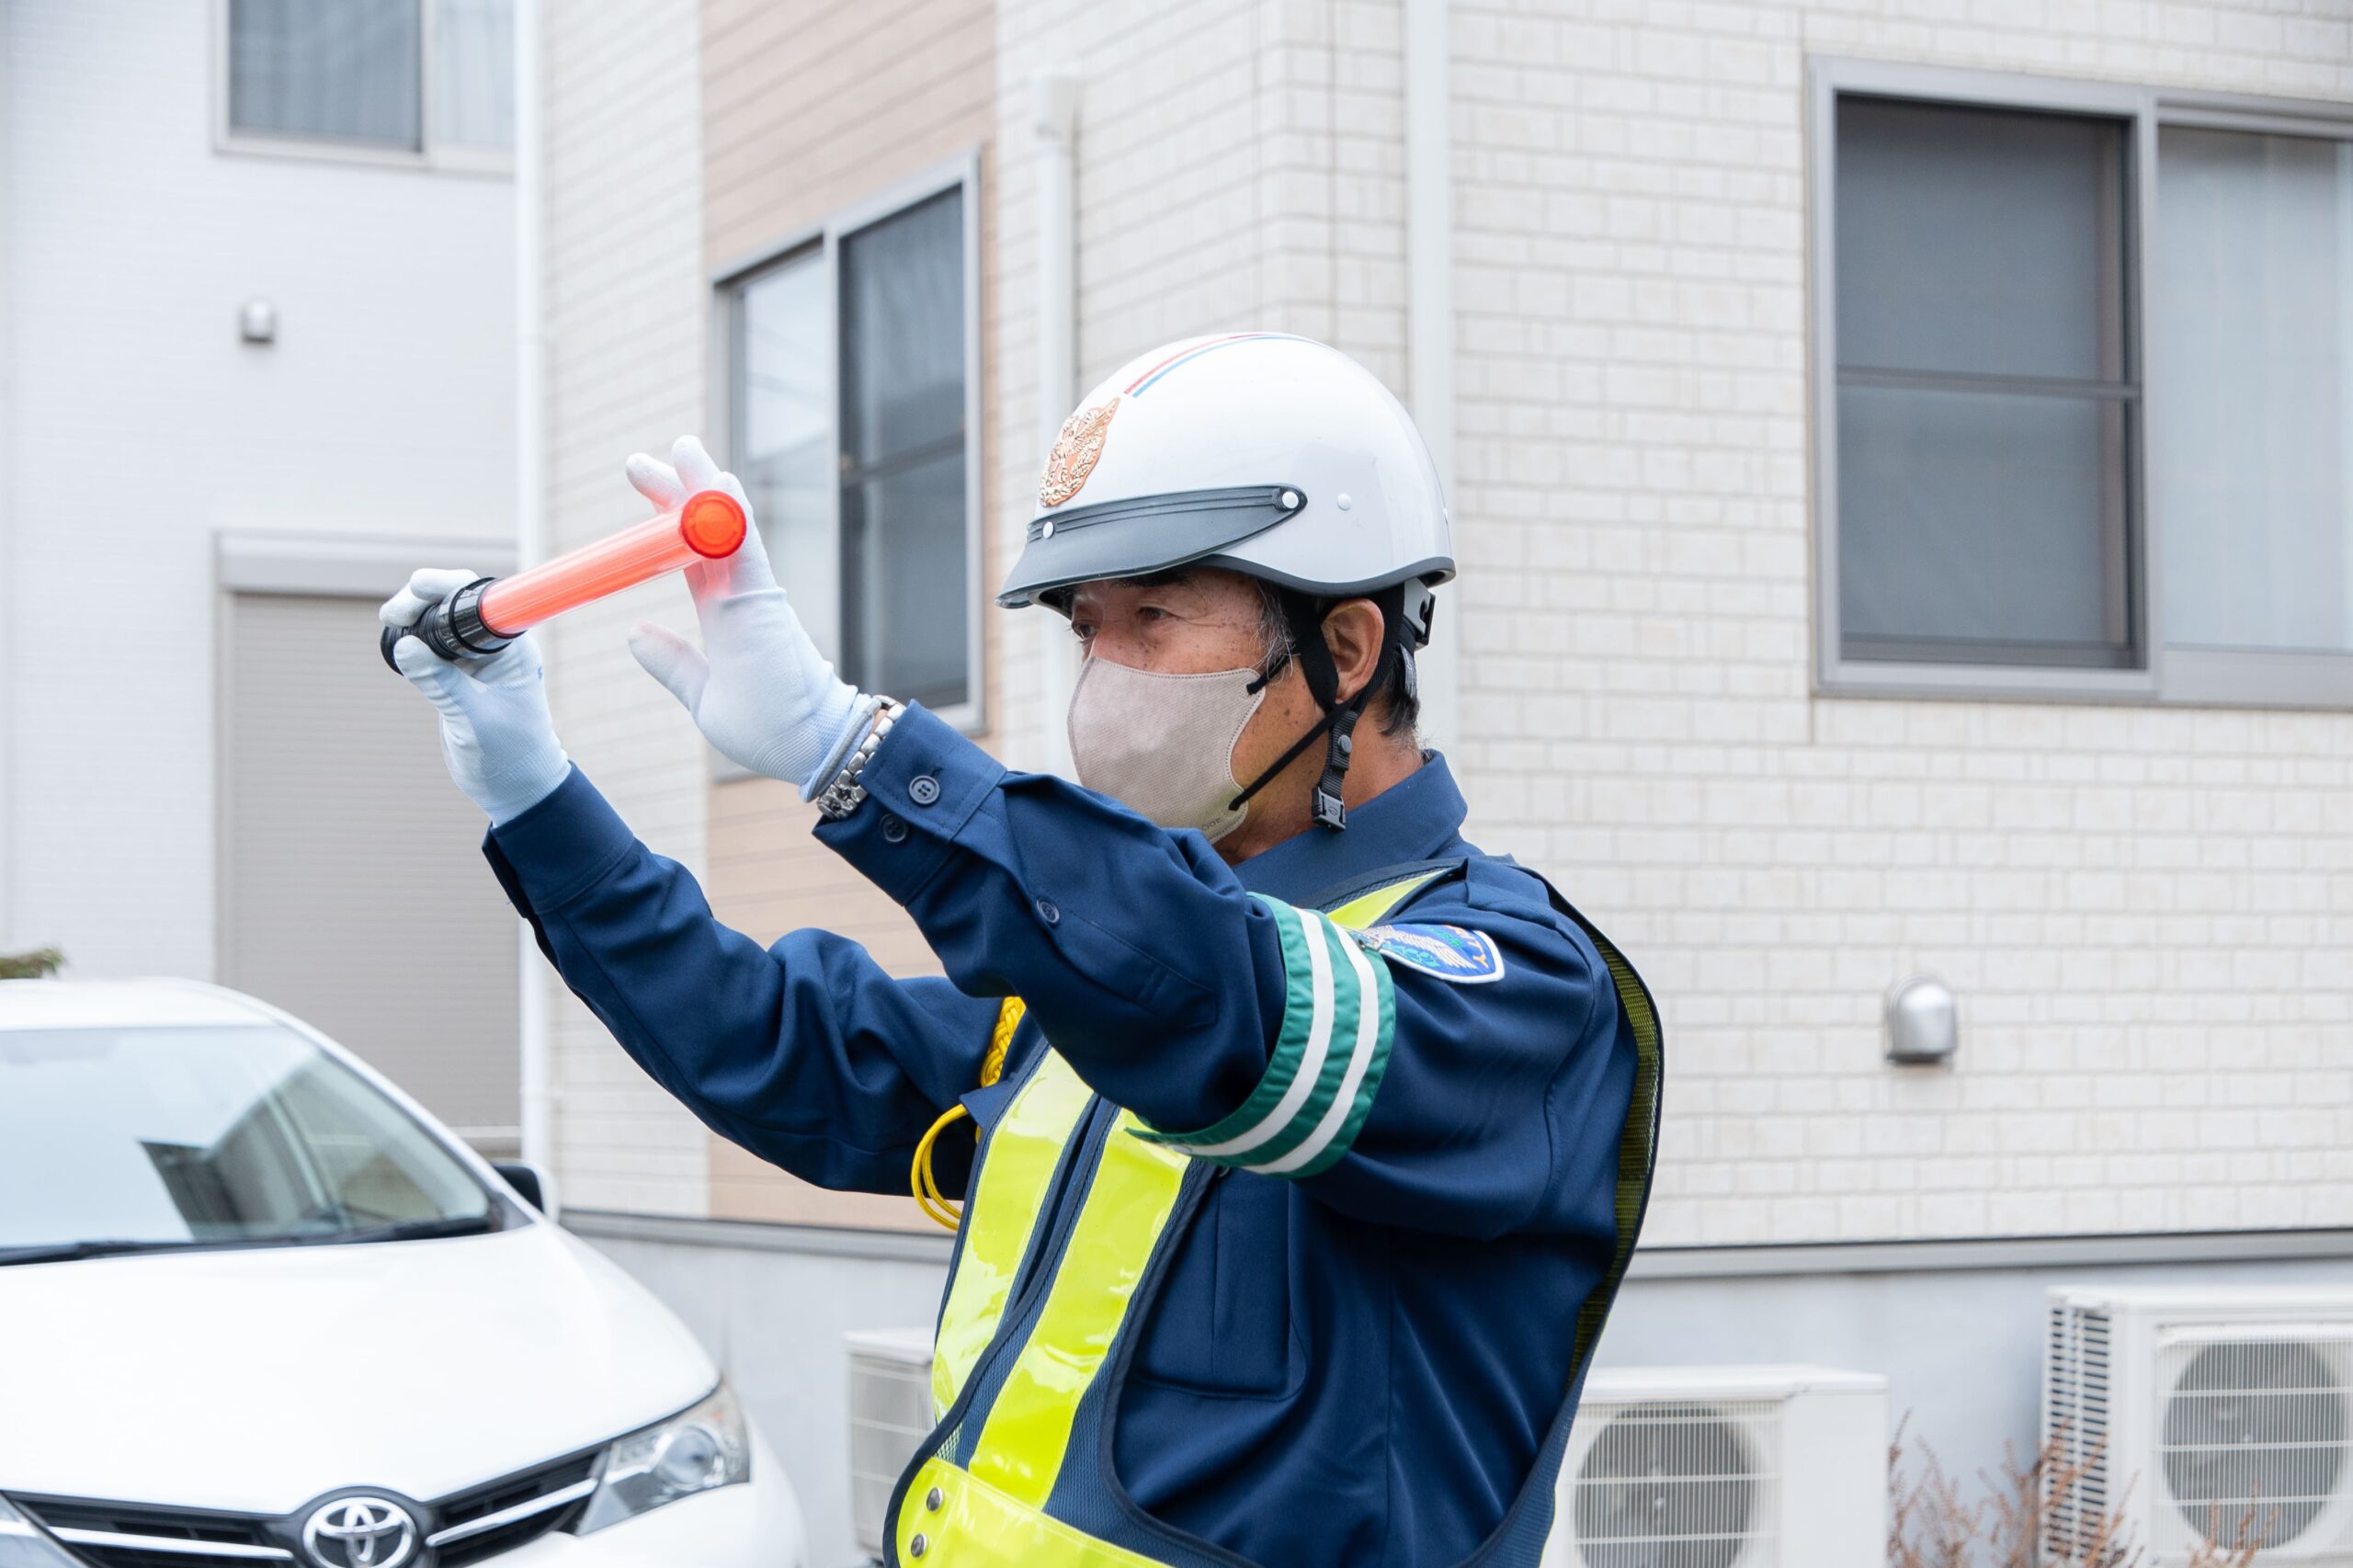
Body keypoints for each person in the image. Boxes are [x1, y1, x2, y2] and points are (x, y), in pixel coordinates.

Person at [385, 333, 1661, 1568]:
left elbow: (1239, 1004)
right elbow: (774, 1044)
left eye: (1153, 617)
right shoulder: (1085, 984)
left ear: (1344, 650)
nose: (1104, 676)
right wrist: (534, 797)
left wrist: (860, 755)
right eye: (1085, 627)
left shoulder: (1518, 989)